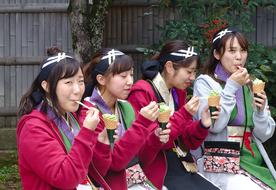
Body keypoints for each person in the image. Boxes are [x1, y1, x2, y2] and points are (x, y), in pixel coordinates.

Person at [128, 40, 220, 189]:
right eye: (189, 71)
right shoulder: (142, 92)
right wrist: (184, 114)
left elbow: (187, 141)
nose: (193, 77)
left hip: (180, 164)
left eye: (194, 72)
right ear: (170, 67)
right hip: (156, 167)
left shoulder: (177, 92)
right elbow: (153, 142)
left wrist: (203, 124)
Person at [193, 27, 276, 190]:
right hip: (219, 164)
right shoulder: (205, 82)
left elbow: (264, 135)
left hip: (251, 161)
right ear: (217, 54)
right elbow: (214, 126)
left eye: (243, 50)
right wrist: (231, 87)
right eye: (232, 51)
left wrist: (260, 112)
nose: (239, 57)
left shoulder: (251, 85)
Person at [17, 50, 111, 189]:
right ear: (47, 86)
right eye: (68, 82)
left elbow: (97, 171)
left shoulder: (72, 115)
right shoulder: (33, 128)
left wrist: (102, 142)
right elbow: (65, 178)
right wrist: (86, 133)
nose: (77, 90)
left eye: (80, 81)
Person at [78, 48, 170, 190]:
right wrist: (142, 123)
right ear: (101, 79)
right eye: (123, 76)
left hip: (138, 182)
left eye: (131, 74)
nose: (130, 81)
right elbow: (114, 164)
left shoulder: (126, 107)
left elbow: (142, 159)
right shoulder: (89, 113)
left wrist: (155, 139)